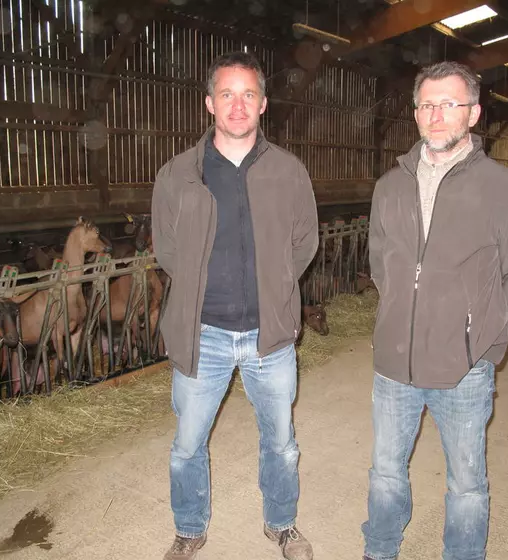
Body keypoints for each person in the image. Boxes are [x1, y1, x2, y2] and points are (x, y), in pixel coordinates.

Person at [361, 61, 508, 560]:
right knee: (384, 470)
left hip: (464, 368)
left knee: (465, 482)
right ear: (416, 113)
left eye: (449, 104)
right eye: (427, 104)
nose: (436, 115)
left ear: (474, 113)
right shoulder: (389, 186)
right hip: (394, 363)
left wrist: (476, 334)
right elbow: (381, 261)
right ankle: (380, 549)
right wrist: (400, 309)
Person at [151, 51, 319, 560]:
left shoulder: (288, 172)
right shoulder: (179, 174)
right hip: (204, 334)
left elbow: (304, 242)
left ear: (263, 104)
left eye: (248, 94)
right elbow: (167, 247)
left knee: (281, 442)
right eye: (227, 94)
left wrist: (278, 289)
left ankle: (282, 524)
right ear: (209, 103)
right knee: (187, 445)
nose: (238, 105)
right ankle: (189, 528)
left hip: (270, 335)